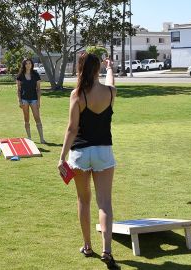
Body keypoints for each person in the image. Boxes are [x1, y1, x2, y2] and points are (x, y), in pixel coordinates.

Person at [58, 53, 120, 270]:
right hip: (104, 151)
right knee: (105, 203)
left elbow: (71, 129)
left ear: (80, 69)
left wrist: (61, 156)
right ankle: (107, 251)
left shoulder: (77, 94)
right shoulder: (111, 92)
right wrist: (110, 67)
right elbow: (111, 82)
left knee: (84, 201)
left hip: (81, 153)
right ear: (98, 69)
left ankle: (87, 246)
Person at [16, 58, 46, 143]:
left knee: (37, 118)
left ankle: (42, 139)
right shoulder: (20, 76)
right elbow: (18, 90)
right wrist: (19, 101)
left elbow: (38, 89)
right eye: (26, 63)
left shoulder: (35, 74)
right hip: (24, 99)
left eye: (29, 63)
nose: (28, 65)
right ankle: (29, 138)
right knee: (26, 119)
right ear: (24, 65)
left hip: (34, 99)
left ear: (32, 64)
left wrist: (39, 101)